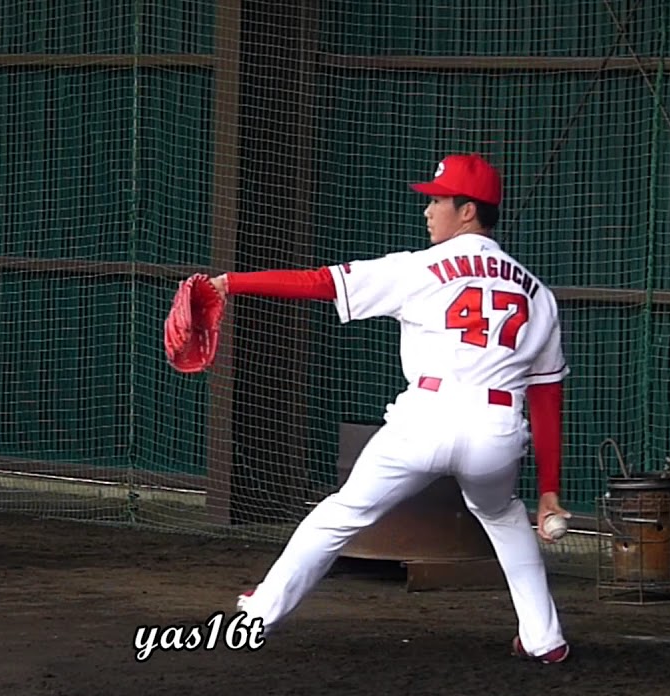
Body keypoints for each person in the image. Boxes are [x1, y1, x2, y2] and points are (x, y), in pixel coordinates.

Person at [214, 154, 572, 663]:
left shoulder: (418, 267)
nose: (428, 210)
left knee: (342, 514)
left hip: (424, 420)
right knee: (503, 514)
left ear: (468, 210)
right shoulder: (538, 293)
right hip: (496, 429)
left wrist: (231, 283)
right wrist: (549, 489)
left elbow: (320, 283)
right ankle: (545, 640)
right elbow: (547, 394)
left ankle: (258, 615)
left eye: (437, 200)